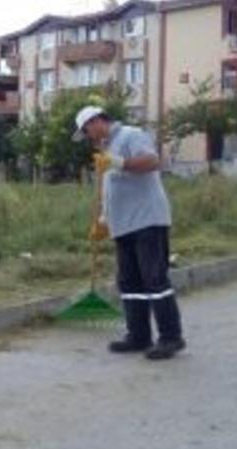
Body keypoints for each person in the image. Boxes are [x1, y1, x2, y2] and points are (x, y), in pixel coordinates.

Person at [74, 106, 186, 360]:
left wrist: (119, 162)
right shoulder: (105, 149)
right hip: (123, 226)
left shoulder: (130, 135)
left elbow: (152, 161)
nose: (88, 136)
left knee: (154, 279)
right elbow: (110, 190)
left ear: (96, 121)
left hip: (147, 220)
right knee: (129, 282)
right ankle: (138, 336)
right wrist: (103, 221)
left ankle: (171, 337)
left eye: (86, 130)